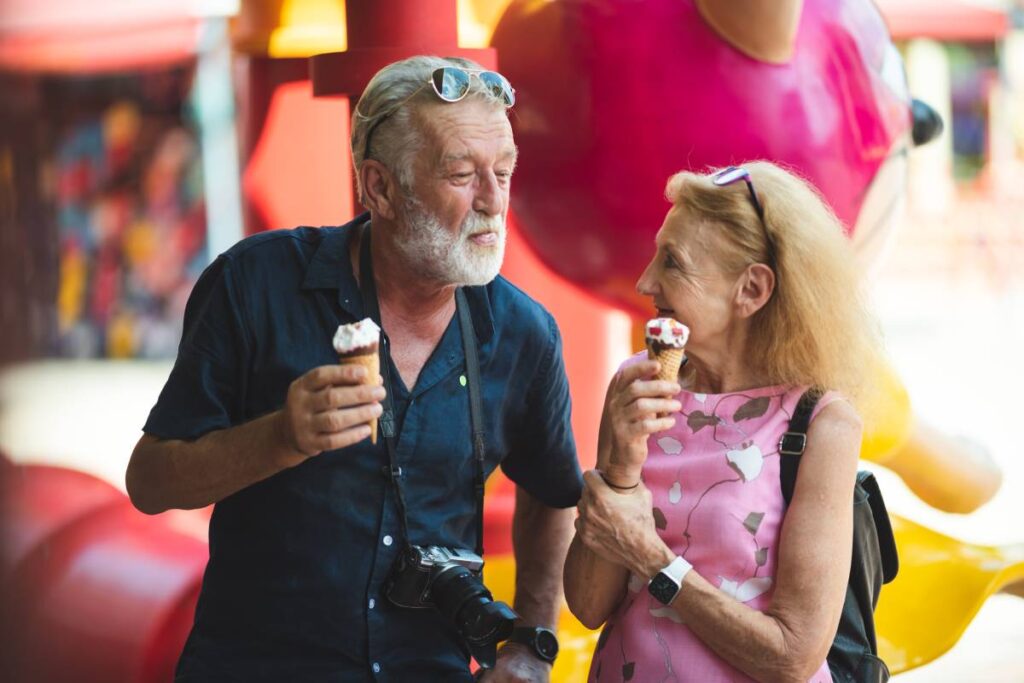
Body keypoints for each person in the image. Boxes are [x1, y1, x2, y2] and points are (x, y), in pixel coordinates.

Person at [125, 55, 582, 682]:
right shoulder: (255, 283)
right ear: (379, 188)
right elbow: (150, 482)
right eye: (461, 175)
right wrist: (280, 437)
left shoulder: (525, 333)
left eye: (503, 171)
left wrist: (531, 645)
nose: (494, 200)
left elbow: (554, 493)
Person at [564, 161, 884, 682]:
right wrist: (620, 466)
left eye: (673, 262)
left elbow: (792, 656)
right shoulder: (637, 386)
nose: (646, 281)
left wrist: (652, 560)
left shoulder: (821, 424)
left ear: (751, 290)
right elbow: (587, 605)